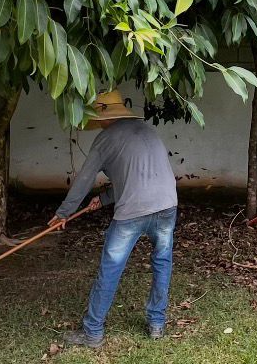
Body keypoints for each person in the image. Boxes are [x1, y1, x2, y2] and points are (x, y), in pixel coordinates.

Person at [50, 91, 179, 348]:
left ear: (101, 117)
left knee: (111, 267)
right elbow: (140, 176)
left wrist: (63, 213)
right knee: (162, 262)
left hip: (133, 211)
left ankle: (92, 332)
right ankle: (156, 324)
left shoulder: (105, 139)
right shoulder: (147, 131)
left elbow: (84, 180)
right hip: (167, 206)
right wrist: (106, 198)